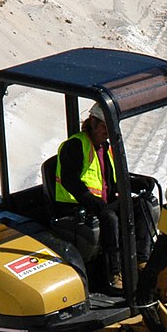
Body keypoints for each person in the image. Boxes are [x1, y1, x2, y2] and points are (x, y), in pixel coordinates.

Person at [55, 102, 123, 291]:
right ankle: (113, 275)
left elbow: (111, 180)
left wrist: (137, 183)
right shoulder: (76, 145)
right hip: (75, 206)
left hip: (99, 204)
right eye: (105, 126)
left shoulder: (105, 148)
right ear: (93, 122)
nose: (108, 131)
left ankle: (141, 260)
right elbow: (70, 181)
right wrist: (91, 200)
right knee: (110, 219)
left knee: (139, 205)